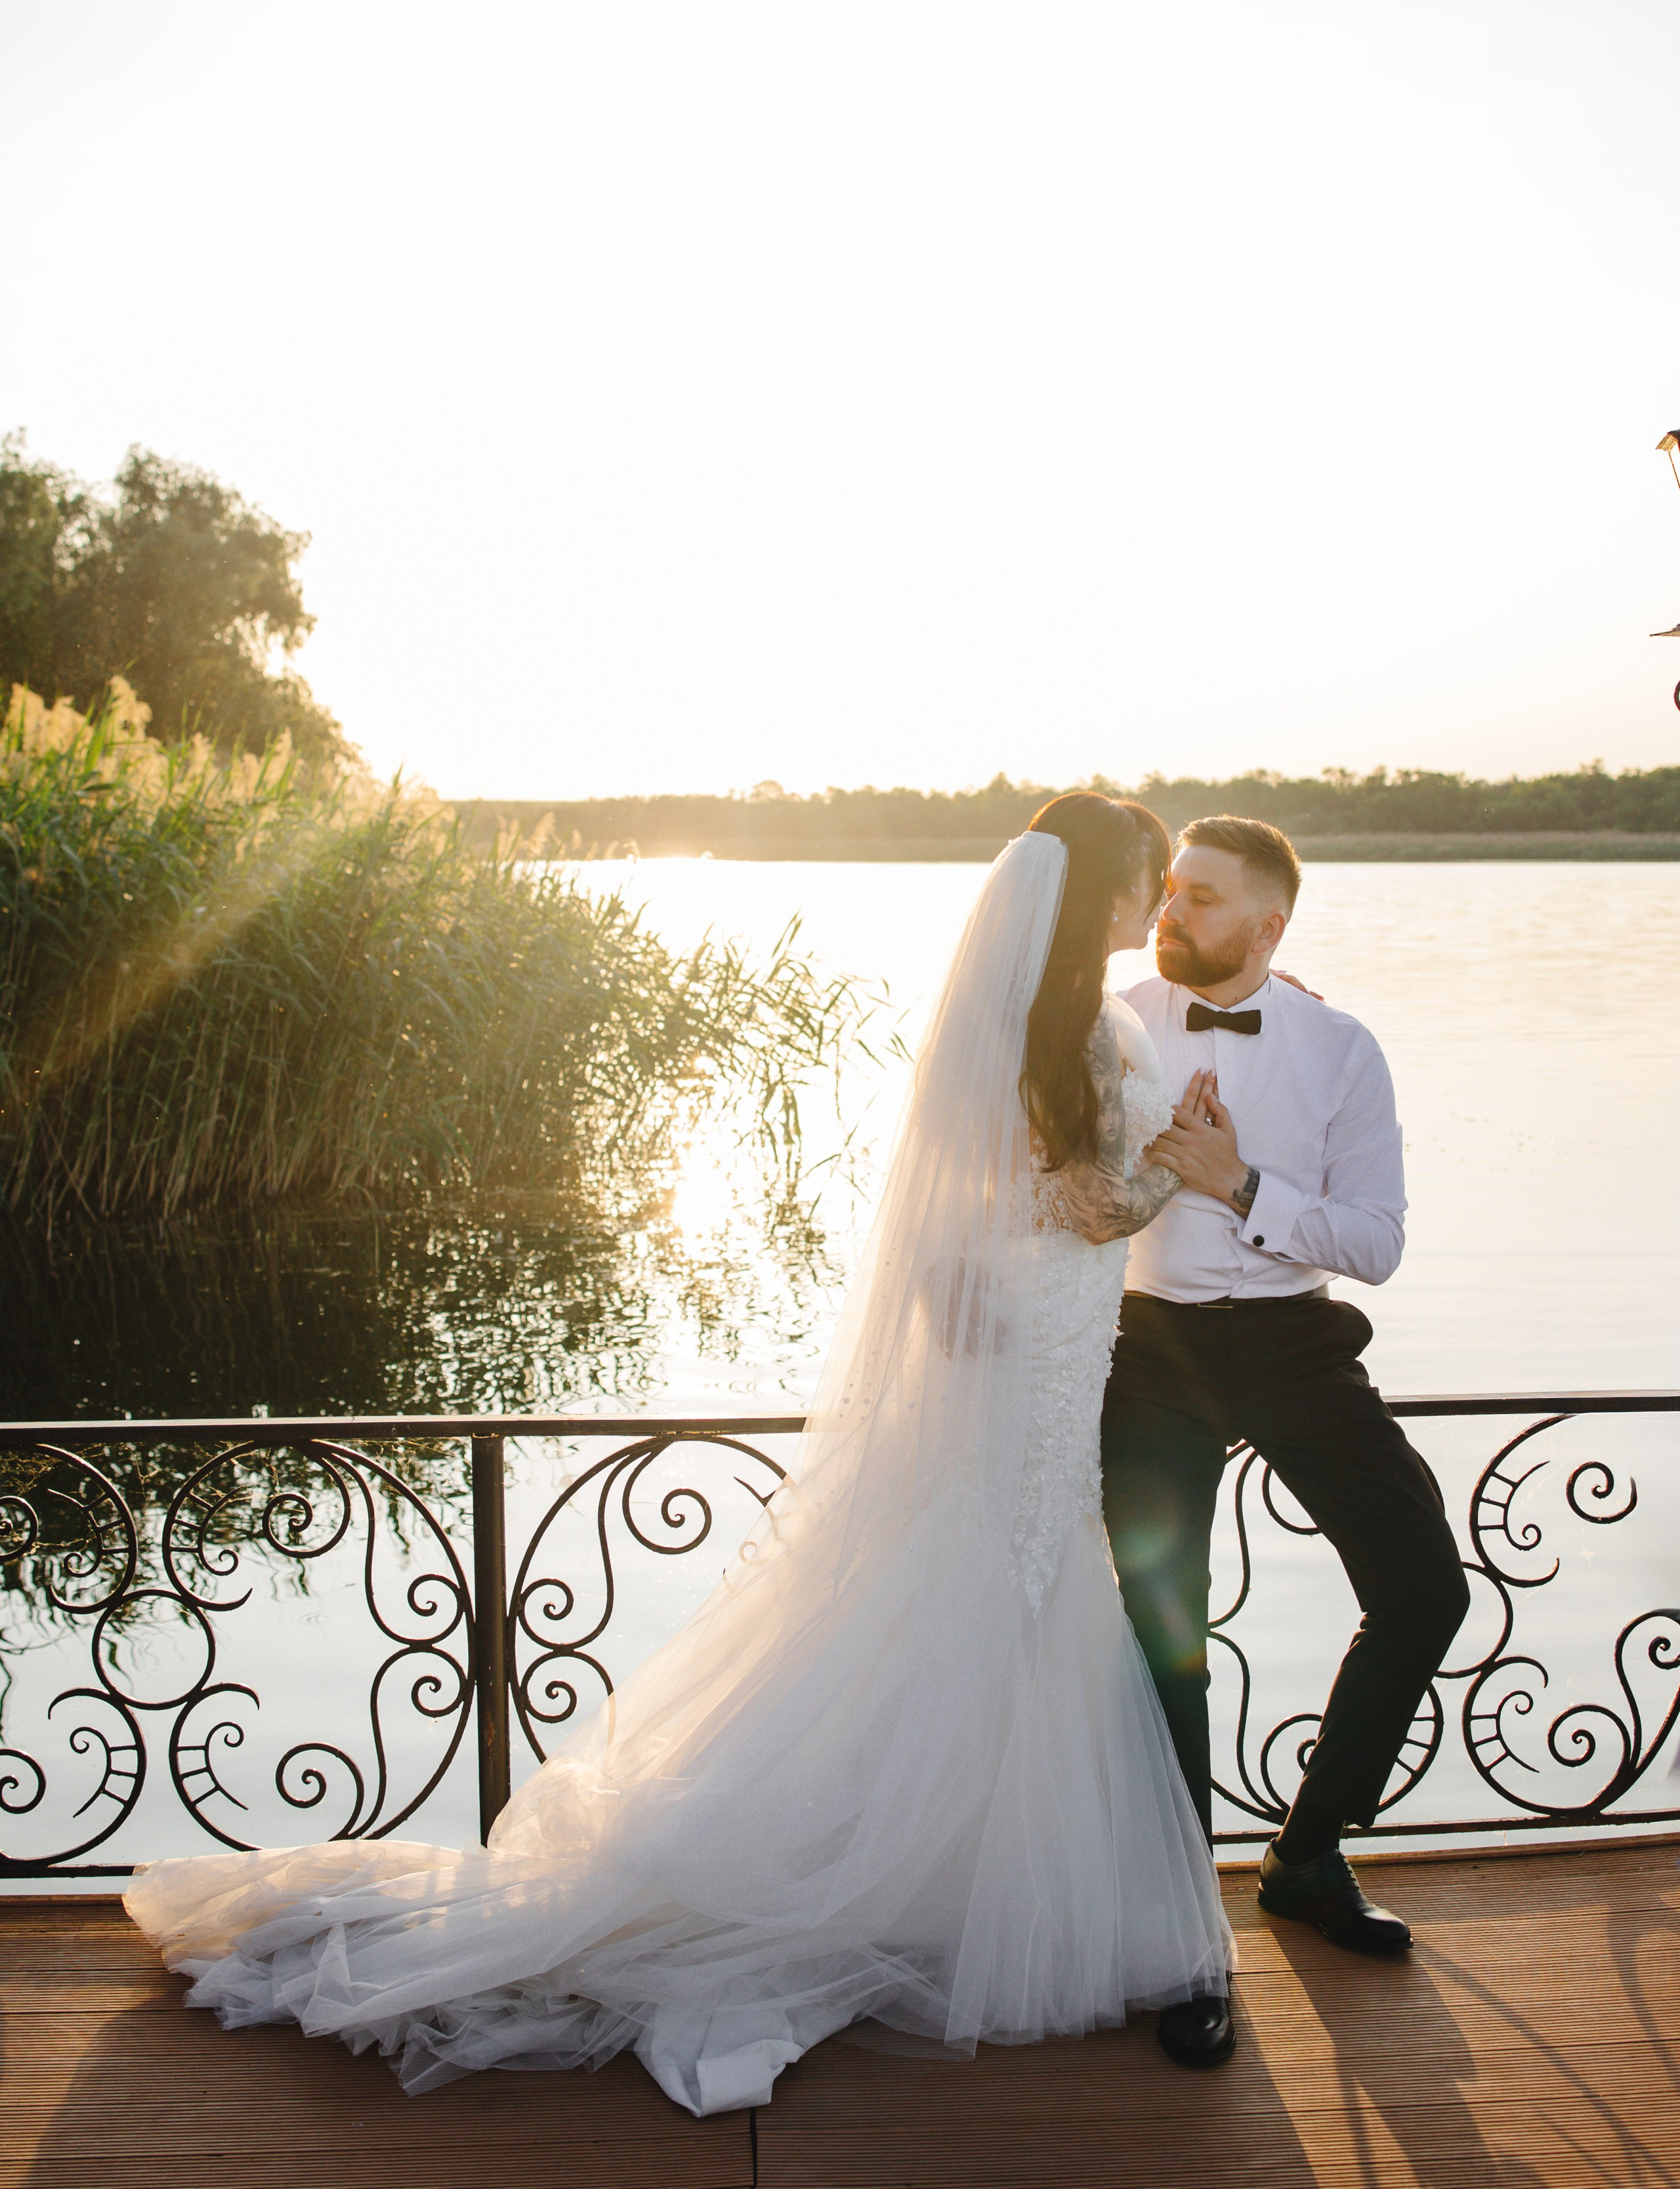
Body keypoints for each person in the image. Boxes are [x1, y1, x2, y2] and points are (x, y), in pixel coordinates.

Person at [125, 793, 1234, 2114]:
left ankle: (972, 1884)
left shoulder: (1065, 1024)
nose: (1155, 901)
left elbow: (1010, 1212)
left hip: (1041, 1350)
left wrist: (1148, 1166)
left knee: (1013, 1597)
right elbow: (1084, 1203)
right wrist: (1189, 1167)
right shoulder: (1059, 1035)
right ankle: (926, 1890)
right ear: (1093, 891)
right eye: (1146, 879)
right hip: (1038, 1360)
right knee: (1008, 1589)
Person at [1103, 814, 1472, 2068]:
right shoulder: (1113, 1023)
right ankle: (1180, 1939)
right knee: (1168, 1636)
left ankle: (1308, 1855)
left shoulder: (1341, 1049)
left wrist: (1242, 1183)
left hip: (1294, 1340)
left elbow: (1376, 1242)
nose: (1173, 911)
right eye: (1169, 891)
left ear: (1269, 927)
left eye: (1202, 898)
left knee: (1426, 1587)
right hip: (1146, 1351)